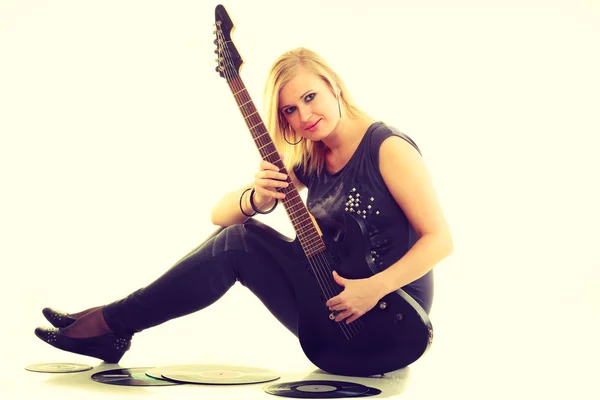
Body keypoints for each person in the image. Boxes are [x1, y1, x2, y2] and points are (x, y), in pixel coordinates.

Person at [35, 47, 453, 367]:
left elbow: (440, 240)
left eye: (310, 97)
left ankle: (108, 325)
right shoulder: (310, 156)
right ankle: (114, 324)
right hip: (333, 308)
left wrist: (373, 289)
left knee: (238, 240)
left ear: (334, 86)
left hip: (390, 316)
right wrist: (255, 197)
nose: (304, 115)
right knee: (236, 238)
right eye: (290, 109)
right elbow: (218, 215)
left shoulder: (387, 148)